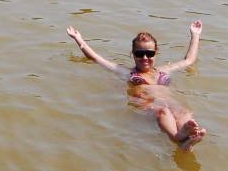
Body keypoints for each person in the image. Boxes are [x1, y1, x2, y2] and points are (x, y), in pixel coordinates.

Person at [65, 22, 207, 148]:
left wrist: (195, 35)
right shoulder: (128, 73)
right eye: (140, 53)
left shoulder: (164, 70)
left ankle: (187, 140)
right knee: (163, 111)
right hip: (150, 107)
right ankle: (178, 137)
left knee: (183, 112)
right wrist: (78, 39)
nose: (145, 57)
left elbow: (189, 61)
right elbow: (96, 58)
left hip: (170, 104)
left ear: (156, 53)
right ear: (133, 54)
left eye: (149, 53)